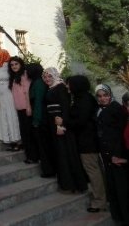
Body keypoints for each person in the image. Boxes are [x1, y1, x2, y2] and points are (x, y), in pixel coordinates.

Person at [59, 75, 106, 212]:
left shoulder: (84, 100)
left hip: (87, 141)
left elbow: (81, 121)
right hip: (87, 140)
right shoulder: (83, 98)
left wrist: (64, 122)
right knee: (95, 170)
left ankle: (99, 201)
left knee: (93, 171)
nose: (68, 87)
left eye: (70, 84)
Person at [43, 67, 87, 192]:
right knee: (60, 153)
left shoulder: (61, 88)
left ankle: (73, 184)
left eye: (50, 76)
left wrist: (61, 126)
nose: (47, 79)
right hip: (53, 123)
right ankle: (66, 183)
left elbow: (65, 107)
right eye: (45, 77)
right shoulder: (51, 88)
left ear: (55, 76)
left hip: (60, 124)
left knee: (65, 152)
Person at [94, 84, 128, 224]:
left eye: (105, 95)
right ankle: (118, 216)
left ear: (110, 95)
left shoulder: (116, 109)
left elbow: (120, 134)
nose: (103, 98)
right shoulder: (99, 109)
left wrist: (116, 154)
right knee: (113, 186)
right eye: (100, 96)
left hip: (116, 154)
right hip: (106, 153)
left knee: (121, 188)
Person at [0, 49, 20, 149]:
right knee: (3, 116)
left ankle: (16, 139)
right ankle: (7, 139)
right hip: (0, 95)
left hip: (10, 94)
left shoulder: (9, 66)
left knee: (12, 115)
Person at [8, 56, 33, 157]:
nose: (14, 66)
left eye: (16, 64)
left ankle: (32, 156)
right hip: (19, 108)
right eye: (12, 65)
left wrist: (29, 107)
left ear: (21, 64)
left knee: (29, 133)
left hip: (26, 108)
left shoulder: (24, 74)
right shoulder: (14, 77)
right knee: (24, 133)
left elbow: (27, 92)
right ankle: (29, 155)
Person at [26, 63, 46, 169]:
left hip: (39, 118)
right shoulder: (36, 82)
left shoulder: (38, 83)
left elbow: (38, 102)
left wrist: (36, 120)